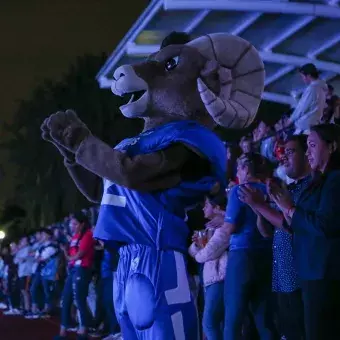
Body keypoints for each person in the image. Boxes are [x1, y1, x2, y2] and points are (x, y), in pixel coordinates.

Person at [269, 124, 340, 340]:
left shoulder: (335, 179)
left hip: (325, 274)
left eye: (311, 145)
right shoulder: (320, 181)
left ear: (332, 146)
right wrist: (281, 205)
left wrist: (290, 208)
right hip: (310, 272)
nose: (308, 152)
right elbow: (298, 225)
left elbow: (324, 225)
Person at [239, 135, 311, 340]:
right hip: (281, 275)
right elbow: (267, 232)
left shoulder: (310, 188)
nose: (284, 158)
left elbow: (290, 225)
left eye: (290, 152)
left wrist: (259, 204)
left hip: (299, 277)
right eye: (283, 153)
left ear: (308, 155)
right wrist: (258, 206)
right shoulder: (292, 189)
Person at [223, 152, 276, 340]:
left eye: (239, 168)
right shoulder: (269, 190)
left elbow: (231, 226)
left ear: (246, 169)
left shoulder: (239, 190)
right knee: (264, 317)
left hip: (241, 256)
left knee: (233, 317)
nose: (238, 172)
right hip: (267, 255)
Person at [189, 196, 229, 340]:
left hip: (220, 278)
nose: (203, 208)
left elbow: (207, 254)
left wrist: (201, 252)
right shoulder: (209, 228)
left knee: (209, 323)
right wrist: (197, 245)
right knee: (217, 323)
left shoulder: (224, 226)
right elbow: (193, 252)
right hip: (211, 278)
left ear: (217, 208)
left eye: (207, 205)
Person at [55, 211, 95, 340]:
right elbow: (71, 257)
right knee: (65, 298)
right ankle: (63, 331)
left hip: (82, 269)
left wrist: (68, 255)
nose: (72, 226)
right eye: (71, 223)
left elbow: (80, 254)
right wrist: (67, 253)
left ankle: (84, 330)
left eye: (74, 223)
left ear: (82, 224)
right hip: (73, 270)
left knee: (79, 298)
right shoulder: (75, 236)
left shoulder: (88, 234)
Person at [287, 63, 327, 134]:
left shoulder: (312, 89)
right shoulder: (323, 87)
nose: (303, 79)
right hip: (314, 124)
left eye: (303, 77)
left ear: (308, 76)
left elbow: (302, 108)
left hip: (304, 127)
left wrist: (290, 120)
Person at [29, 228, 59, 319]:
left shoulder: (52, 246)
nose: (41, 236)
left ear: (48, 236)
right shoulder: (41, 246)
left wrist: (36, 257)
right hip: (39, 271)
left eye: (43, 234)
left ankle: (47, 310)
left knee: (47, 290)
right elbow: (35, 256)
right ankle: (36, 308)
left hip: (48, 272)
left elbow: (40, 258)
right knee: (33, 288)